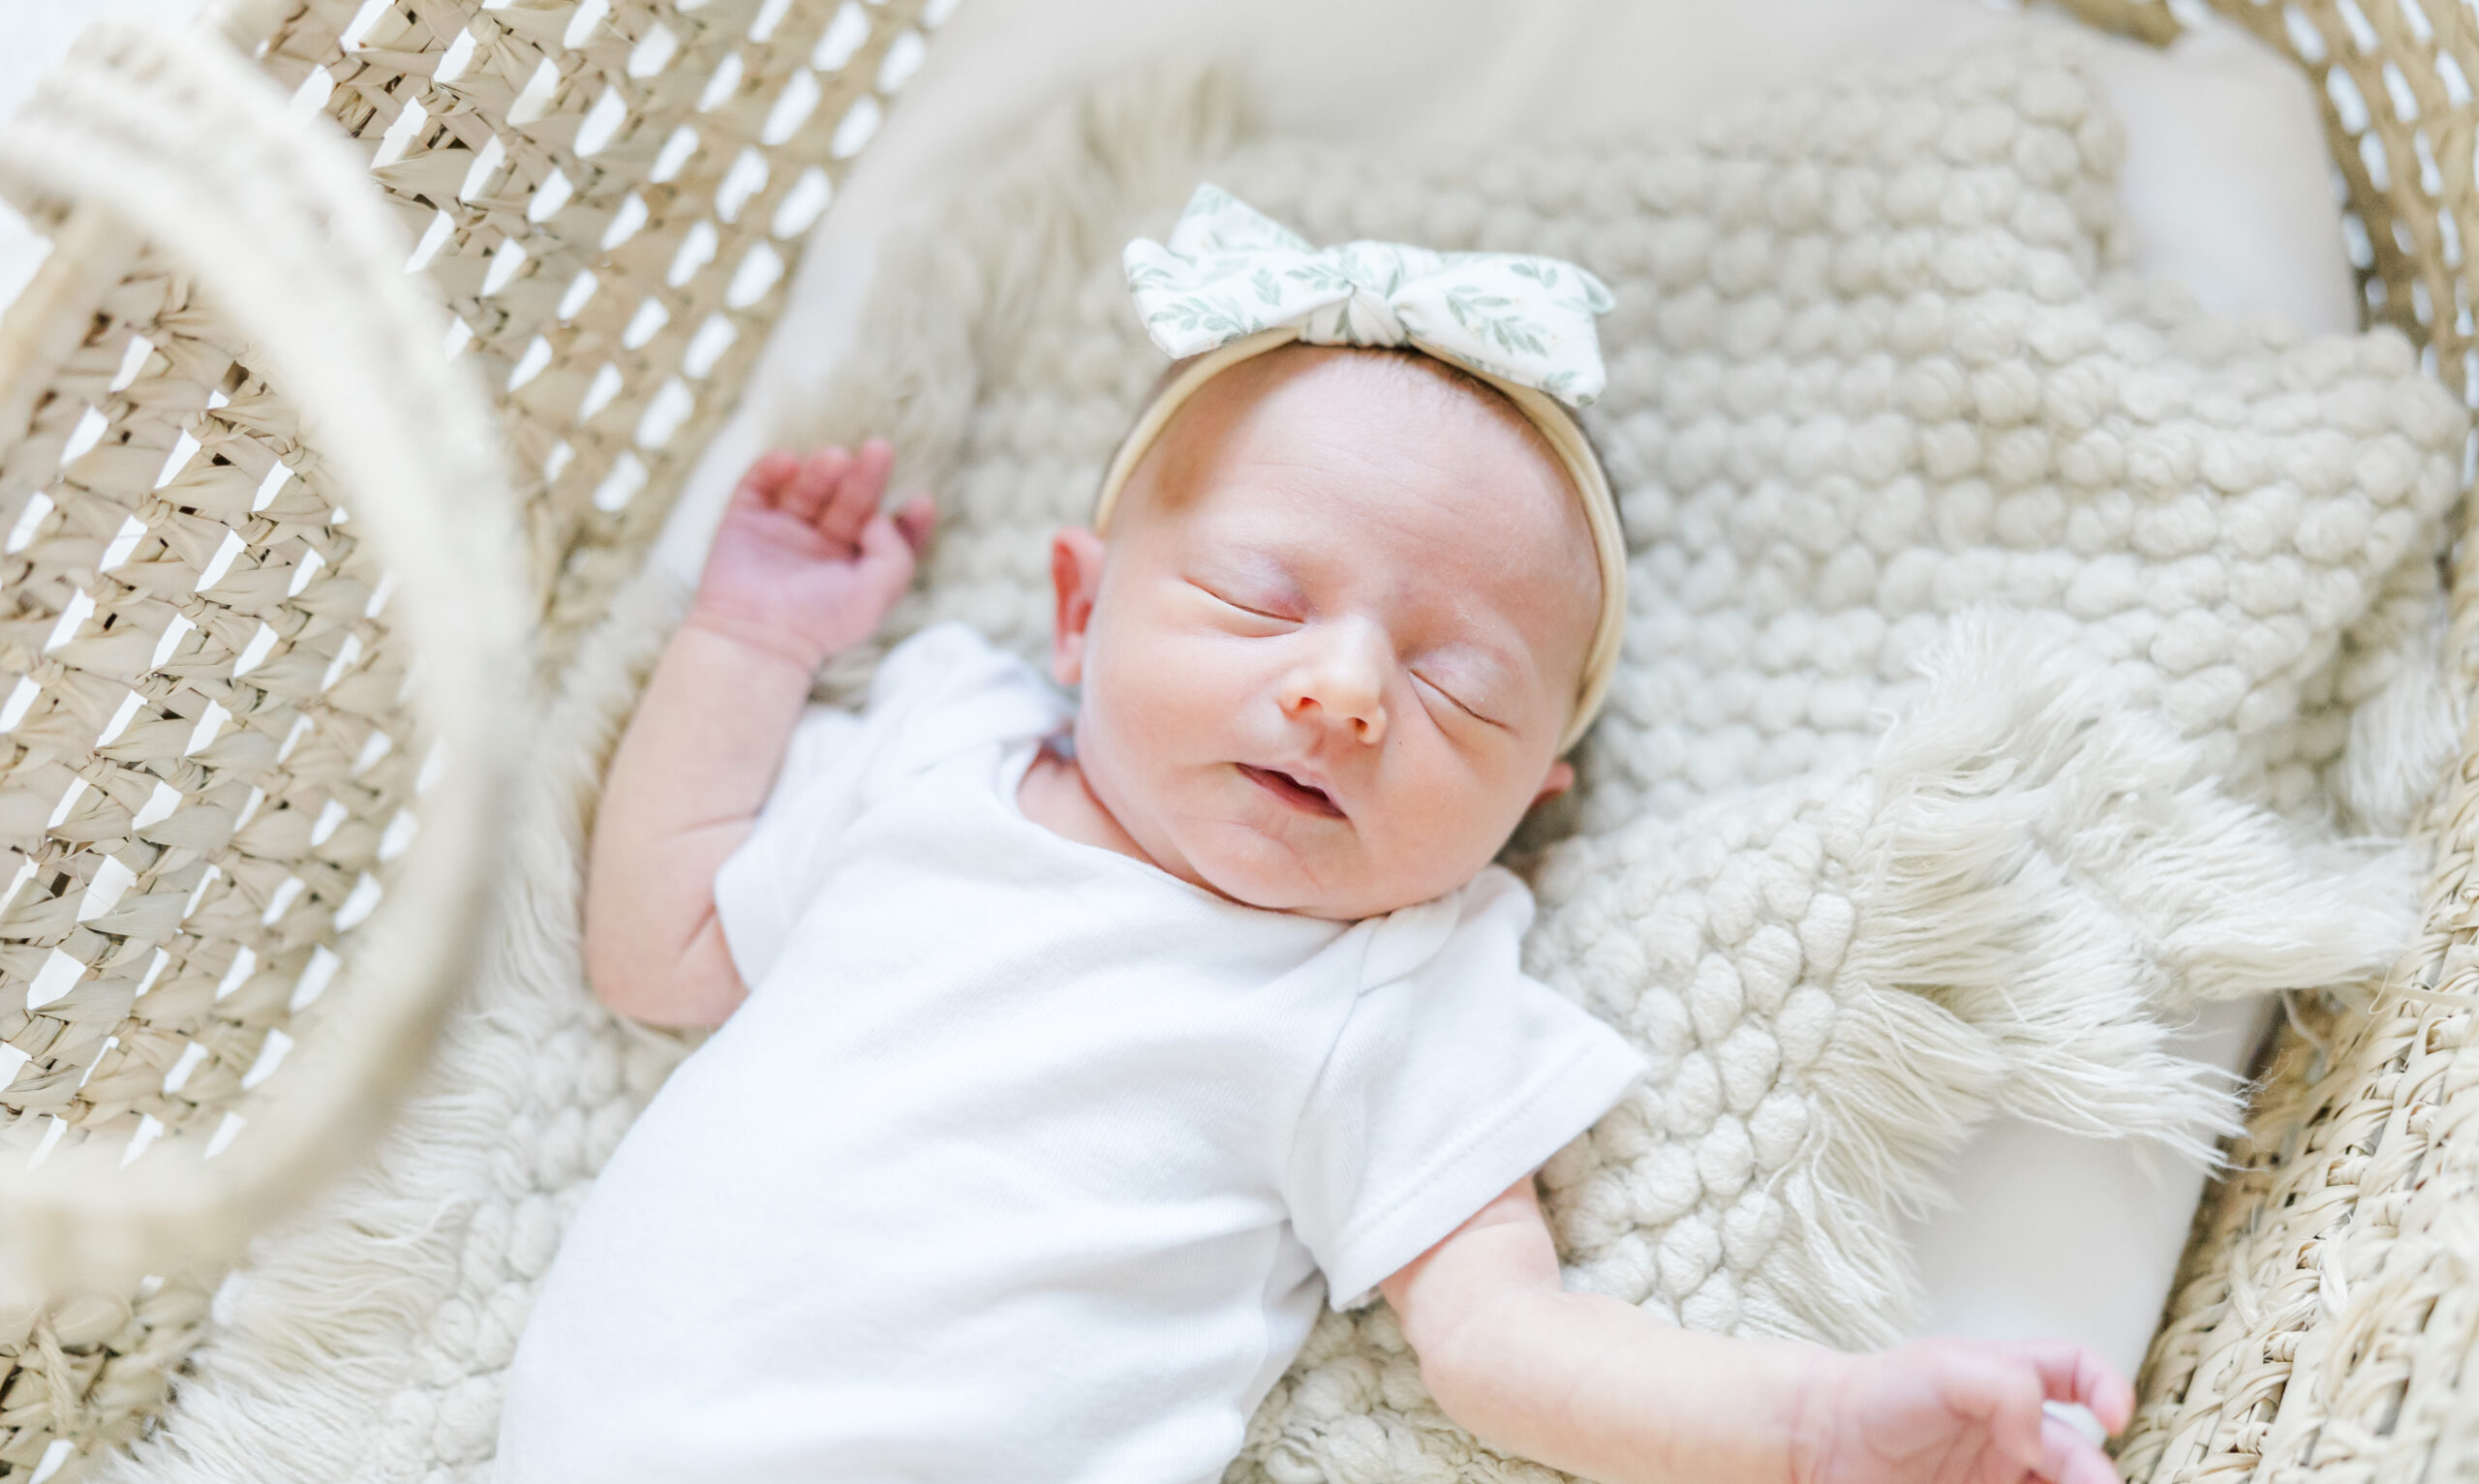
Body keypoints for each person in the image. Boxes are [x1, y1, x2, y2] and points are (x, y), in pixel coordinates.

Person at [497, 186, 2129, 1483]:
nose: (1346, 690)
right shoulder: (941, 744)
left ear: (1528, 802)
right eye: (1259, 601)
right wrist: (749, 643)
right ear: (1080, 611)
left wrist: (1810, 1431)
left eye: (1457, 687)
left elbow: (1506, 1344)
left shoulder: (1387, 989)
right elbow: (661, 946)